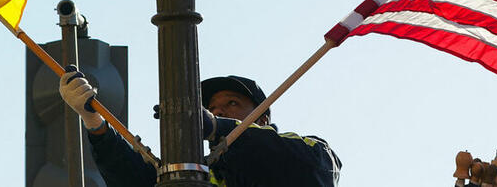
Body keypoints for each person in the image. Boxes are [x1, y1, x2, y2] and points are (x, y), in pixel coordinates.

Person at [59, 70, 342, 187]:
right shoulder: (203, 173)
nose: (218, 110)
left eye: (232, 103)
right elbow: (140, 181)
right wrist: (96, 123)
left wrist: (217, 126)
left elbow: (315, 167)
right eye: (212, 108)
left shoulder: (307, 153)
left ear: (263, 118)